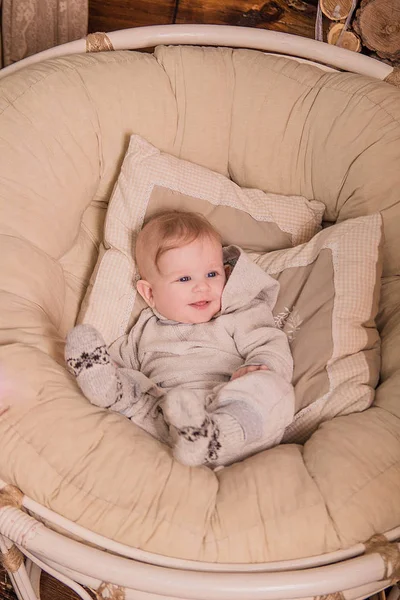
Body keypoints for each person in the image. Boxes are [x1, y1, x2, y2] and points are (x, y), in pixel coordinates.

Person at [65, 211, 295, 467]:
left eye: (212, 274)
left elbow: (270, 343)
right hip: (170, 420)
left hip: (235, 416)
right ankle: (107, 391)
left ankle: (215, 436)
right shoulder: (144, 330)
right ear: (150, 293)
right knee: (135, 390)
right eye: (185, 278)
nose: (202, 287)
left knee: (276, 391)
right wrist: (111, 370)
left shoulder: (238, 314)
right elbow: (122, 361)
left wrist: (260, 367)